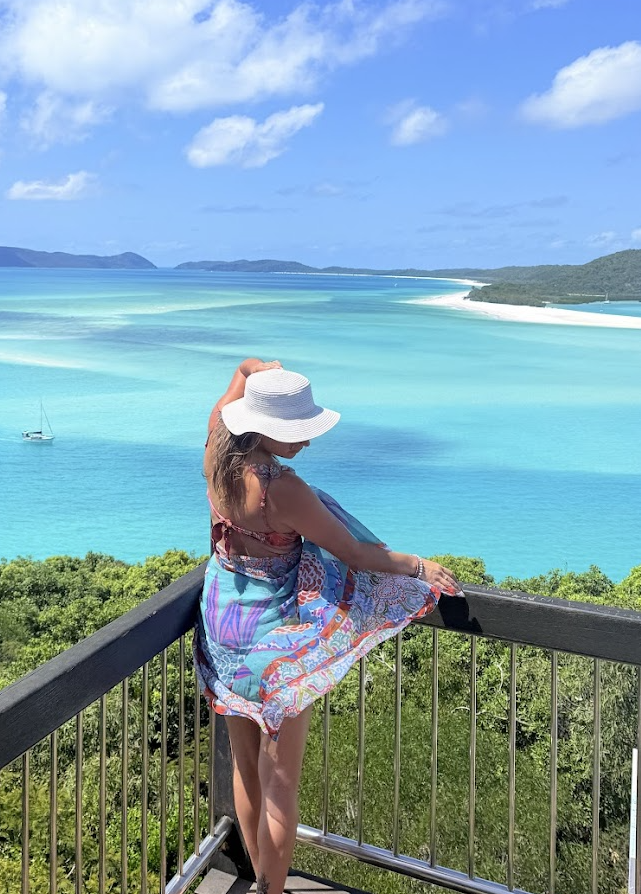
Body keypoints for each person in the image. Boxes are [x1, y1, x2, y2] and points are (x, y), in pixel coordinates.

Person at [194, 358, 462, 894]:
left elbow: (234, 384)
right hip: (273, 637)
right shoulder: (282, 488)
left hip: (221, 618)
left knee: (245, 765)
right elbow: (353, 553)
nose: (307, 443)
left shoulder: (218, 445)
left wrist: (252, 368)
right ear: (268, 428)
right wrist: (418, 566)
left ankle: (257, 883)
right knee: (281, 782)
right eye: (298, 432)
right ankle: (274, 890)